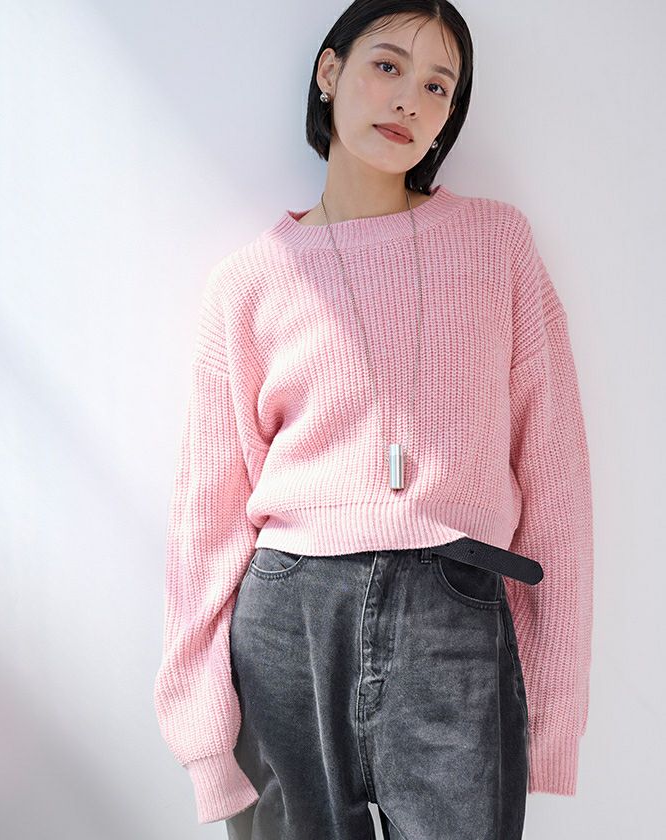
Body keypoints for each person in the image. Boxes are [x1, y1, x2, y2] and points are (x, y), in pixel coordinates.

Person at [153, 1, 594, 838]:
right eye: (388, 66)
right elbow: (204, 523)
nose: (408, 101)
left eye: (437, 86)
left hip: (454, 612)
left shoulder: (496, 246)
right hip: (288, 626)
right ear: (331, 71)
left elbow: (557, 480)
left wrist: (553, 710)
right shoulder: (250, 282)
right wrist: (203, 736)